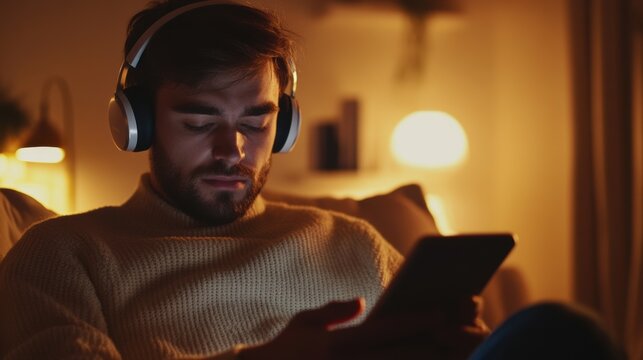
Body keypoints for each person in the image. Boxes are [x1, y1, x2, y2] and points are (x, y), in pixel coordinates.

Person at [0, 1, 625, 359]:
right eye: (199, 120)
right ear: (135, 123)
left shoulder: (353, 242)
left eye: (257, 120)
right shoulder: (61, 255)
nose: (233, 149)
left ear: (286, 123)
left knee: (561, 331)